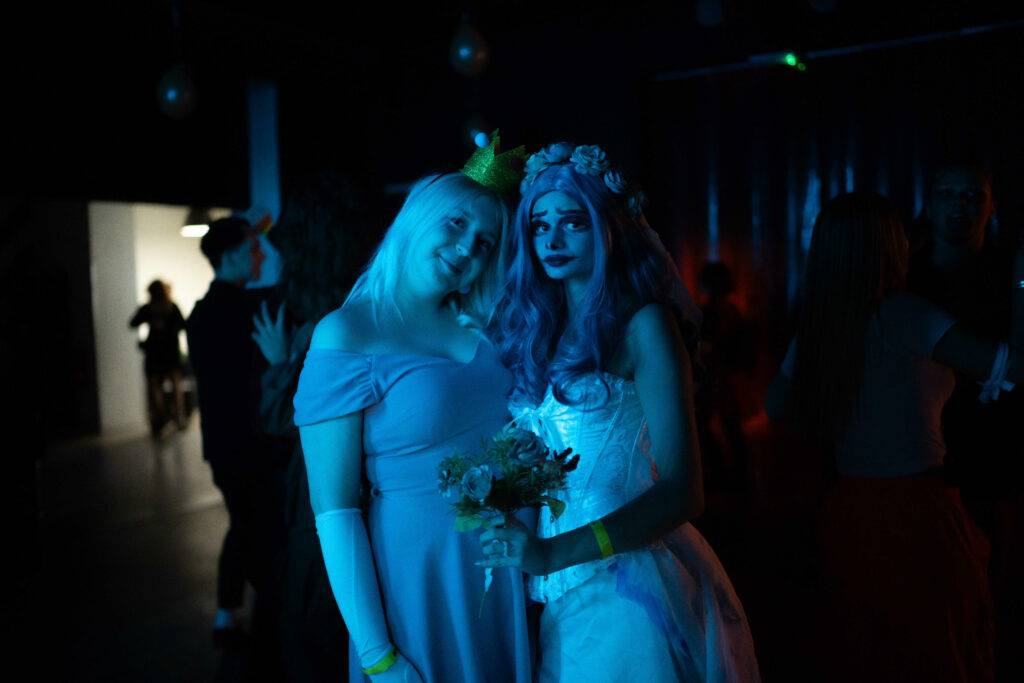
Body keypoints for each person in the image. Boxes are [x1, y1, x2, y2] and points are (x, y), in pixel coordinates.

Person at [483, 143, 760, 682]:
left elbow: (684, 492)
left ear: (608, 226)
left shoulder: (645, 325)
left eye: (573, 222)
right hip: (555, 589)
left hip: (624, 580)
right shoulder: (541, 331)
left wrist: (551, 553)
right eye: (540, 226)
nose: (552, 240)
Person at [293, 136, 534, 682]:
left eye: (484, 242)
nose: (467, 248)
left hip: (503, 572)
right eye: (456, 223)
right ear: (417, 217)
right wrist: (377, 656)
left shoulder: (485, 326)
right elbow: (334, 511)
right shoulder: (347, 332)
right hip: (415, 577)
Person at [764, 192, 1023, 683]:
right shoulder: (906, 315)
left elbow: (776, 406)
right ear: (886, 246)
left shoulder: (820, 327)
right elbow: (1011, 368)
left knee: (868, 652)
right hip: (917, 515)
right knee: (932, 654)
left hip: (848, 511)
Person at [251, 169, 377, 682]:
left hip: (317, 497)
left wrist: (279, 364)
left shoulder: (320, 325)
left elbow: (285, 418)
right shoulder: (363, 306)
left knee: (316, 623)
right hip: (354, 491)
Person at [187, 216, 282, 649]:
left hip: (226, 444)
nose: (260, 255)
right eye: (251, 249)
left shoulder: (206, 312)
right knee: (253, 529)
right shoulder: (238, 311)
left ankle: (229, 615)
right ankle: (258, 626)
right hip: (246, 444)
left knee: (243, 525)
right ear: (228, 257)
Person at [130, 279, 187, 435]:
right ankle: (177, 416)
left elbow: (133, 323)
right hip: (169, 351)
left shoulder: (149, 308)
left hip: (155, 352)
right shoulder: (171, 307)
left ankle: (160, 418)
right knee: (174, 385)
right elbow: (183, 325)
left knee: (155, 387)